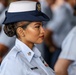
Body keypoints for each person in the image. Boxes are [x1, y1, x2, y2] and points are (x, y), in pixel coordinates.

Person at [0, 1, 55, 75]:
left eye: (42, 26)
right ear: (21, 31)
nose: (43, 31)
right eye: (37, 27)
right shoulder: (13, 61)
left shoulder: (36, 55)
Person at [44, 0, 74, 69]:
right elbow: (47, 33)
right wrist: (53, 47)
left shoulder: (71, 11)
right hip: (60, 50)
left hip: (68, 50)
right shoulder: (63, 11)